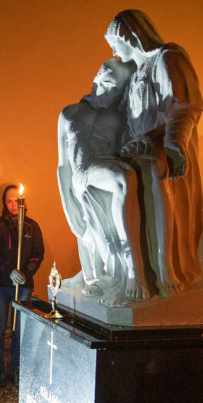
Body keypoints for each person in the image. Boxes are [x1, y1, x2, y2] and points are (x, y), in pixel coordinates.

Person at [106, 9, 203, 297]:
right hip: (140, 151)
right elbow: (130, 122)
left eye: (114, 43)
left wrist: (171, 142)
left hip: (166, 151)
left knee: (156, 172)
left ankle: (166, 265)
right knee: (117, 180)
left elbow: (183, 105)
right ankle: (135, 269)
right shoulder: (135, 76)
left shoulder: (167, 58)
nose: (113, 51)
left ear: (129, 36)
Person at [57, 58, 146, 303]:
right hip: (80, 177)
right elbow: (63, 165)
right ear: (97, 77)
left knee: (124, 178)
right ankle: (97, 276)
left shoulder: (119, 117)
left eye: (117, 90)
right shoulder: (68, 113)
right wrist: (68, 204)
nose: (110, 93)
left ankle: (132, 267)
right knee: (90, 235)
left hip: (103, 168)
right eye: (107, 83)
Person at [0, 184, 44, 388]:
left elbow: (38, 253)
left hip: (23, 286)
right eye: (9, 201)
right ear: (4, 203)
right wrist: (9, 270)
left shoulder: (31, 226)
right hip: (0, 285)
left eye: (16, 201)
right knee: (0, 328)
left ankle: (18, 368)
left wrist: (26, 273)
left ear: (23, 202)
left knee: (20, 330)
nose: (13, 204)